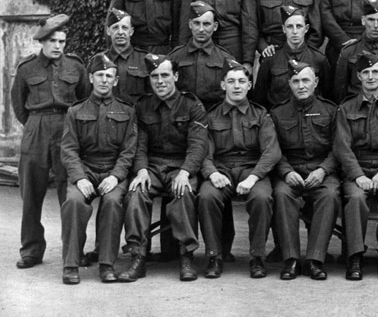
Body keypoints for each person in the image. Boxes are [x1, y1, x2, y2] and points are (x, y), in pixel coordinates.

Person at [11, 14, 91, 269]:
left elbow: (84, 99)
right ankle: (32, 250)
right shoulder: (27, 68)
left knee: (69, 193)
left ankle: (73, 250)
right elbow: (18, 104)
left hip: (67, 129)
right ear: (42, 42)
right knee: (31, 194)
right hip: (36, 129)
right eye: (53, 41)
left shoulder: (76, 66)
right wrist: (36, 125)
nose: (58, 46)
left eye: (62, 41)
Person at [119, 54, 208, 282]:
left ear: (176, 76)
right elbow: (138, 144)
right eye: (155, 76)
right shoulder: (142, 106)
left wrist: (186, 172)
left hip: (181, 165)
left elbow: (198, 145)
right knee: (135, 193)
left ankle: (186, 255)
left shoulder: (192, 105)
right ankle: (138, 256)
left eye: (165, 75)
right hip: (152, 166)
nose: (160, 81)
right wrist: (140, 170)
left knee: (184, 192)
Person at [198, 59, 281, 279]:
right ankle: (215, 255)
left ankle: (257, 256)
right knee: (207, 196)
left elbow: (271, 152)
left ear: (249, 85)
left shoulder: (261, 115)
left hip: (251, 169)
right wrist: (212, 173)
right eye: (231, 81)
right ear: (223, 85)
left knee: (262, 198)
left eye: (242, 81)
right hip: (222, 168)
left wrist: (253, 178)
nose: (237, 86)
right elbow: (203, 151)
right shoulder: (211, 115)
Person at [59, 54, 137, 284]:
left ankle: (106, 264)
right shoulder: (75, 111)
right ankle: (71, 264)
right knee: (73, 202)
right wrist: (79, 178)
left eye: (109, 76)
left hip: (113, 170)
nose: (104, 80)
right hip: (85, 169)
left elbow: (128, 151)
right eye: (100, 75)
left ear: (116, 80)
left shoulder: (127, 111)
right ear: (91, 78)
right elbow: (69, 149)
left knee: (113, 202)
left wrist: (116, 176)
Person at [333, 51, 378, 280]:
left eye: (375, 71)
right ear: (358, 76)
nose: (371, 76)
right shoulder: (346, 108)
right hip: (358, 167)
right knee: (355, 198)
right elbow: (342, 148)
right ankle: (355, 256)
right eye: (366, 72)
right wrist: (358, 176)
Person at [270, 60, 340, 280]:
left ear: (316, 82)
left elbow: (339, 149)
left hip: (322, 170)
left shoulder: (330, 111)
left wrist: (322, 171)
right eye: (296, 81)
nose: (301, 85)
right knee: (281, 194)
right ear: (289, 84)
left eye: (306, 80)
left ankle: (315, 259)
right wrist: (286, 172)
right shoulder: (278, 113)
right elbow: (274, 149)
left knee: (329, 195)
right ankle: (290, 259)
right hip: (290, 170)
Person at [252, 5, 331, 109]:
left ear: (306, 29)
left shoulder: (319, 59)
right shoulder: (271, 59)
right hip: (278, 118)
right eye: (290, 27)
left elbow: (328, 96)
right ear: (284, 29)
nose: (294, 31)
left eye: (299, 26)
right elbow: (259, 98)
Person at [169, 1, 235, 110]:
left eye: (206, 24)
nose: (201, 29)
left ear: (215, 26)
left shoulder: (226, 59)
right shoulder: (175, 57)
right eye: (196, 23)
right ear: (190, 24)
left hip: (215, 117)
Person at [105, 8, 149, 103]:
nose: (120, 32)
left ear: (131, 31)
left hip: (137, 116)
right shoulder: (99, 61)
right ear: (108, 31)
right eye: (115, 28)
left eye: (124, 28)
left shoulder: (145, 60)